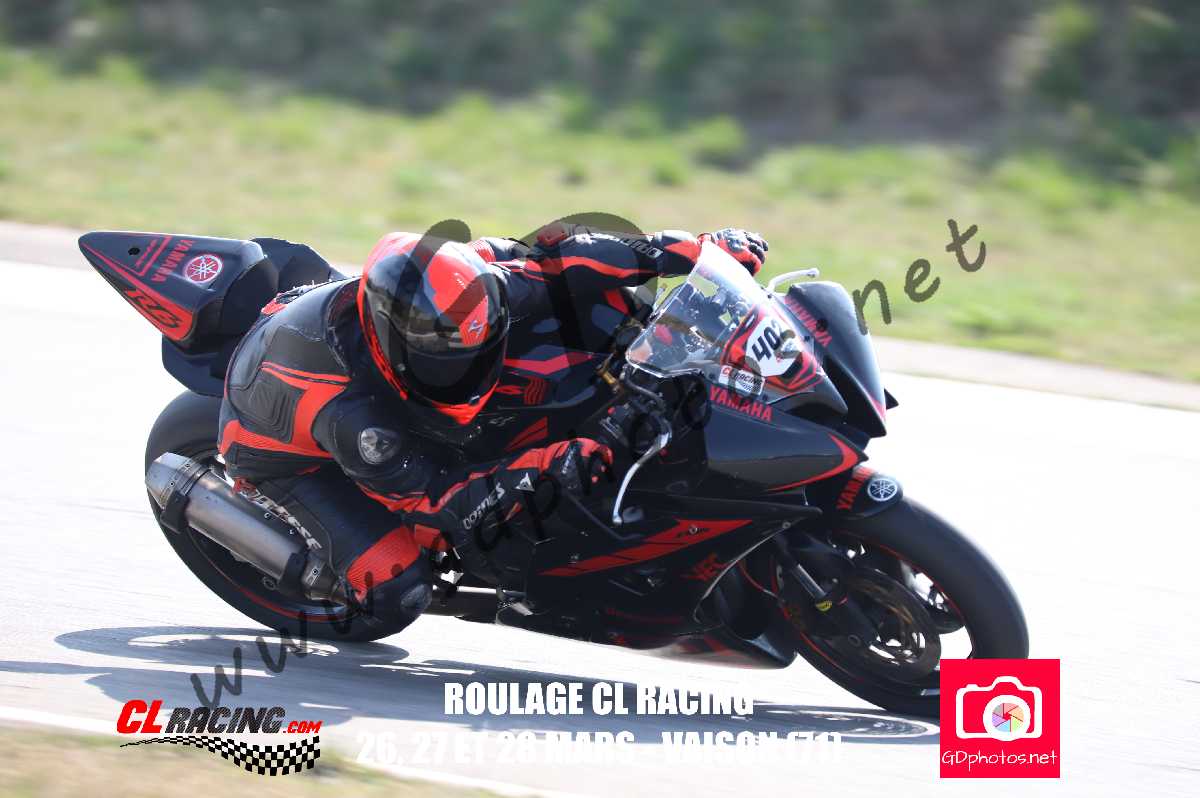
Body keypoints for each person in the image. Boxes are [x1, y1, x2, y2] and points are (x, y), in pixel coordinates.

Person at [217, 223, 768, 631]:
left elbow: (569, 256)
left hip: (360, 366)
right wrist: (562, 460)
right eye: (443, 362)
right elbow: (437, 505)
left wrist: (697, 251)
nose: (467, 369)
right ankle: (306, 560)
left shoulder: (477, 284)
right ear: (393, 348)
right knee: (396, 591)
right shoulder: (355, 419)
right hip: (284, 453)